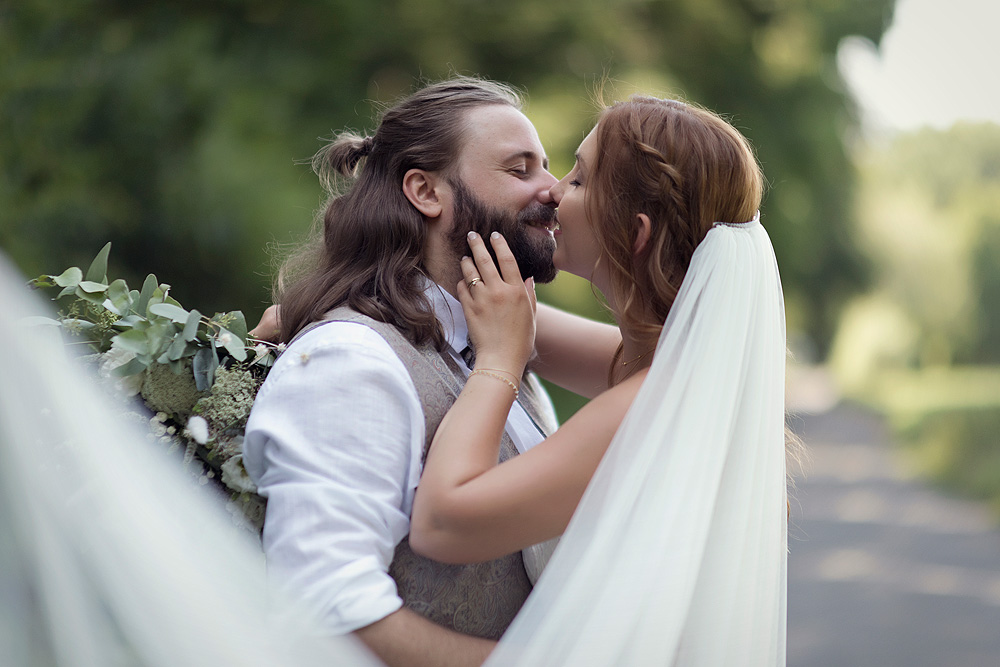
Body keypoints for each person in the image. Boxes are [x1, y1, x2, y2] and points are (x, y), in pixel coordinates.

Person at [409, 96, 788, 665]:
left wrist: (498, 366)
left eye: (580, 179)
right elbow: (495, 315)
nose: (553, 192)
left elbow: (442, 524)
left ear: (634, 233)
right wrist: (316, 308)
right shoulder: (678, 369)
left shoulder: (652, 409)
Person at [242, 76, 565, 667]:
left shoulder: (500, 358)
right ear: (425, 190)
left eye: (547, 167)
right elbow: (323, 613)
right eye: (521, 170)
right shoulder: (351, 362)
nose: (555, 190)